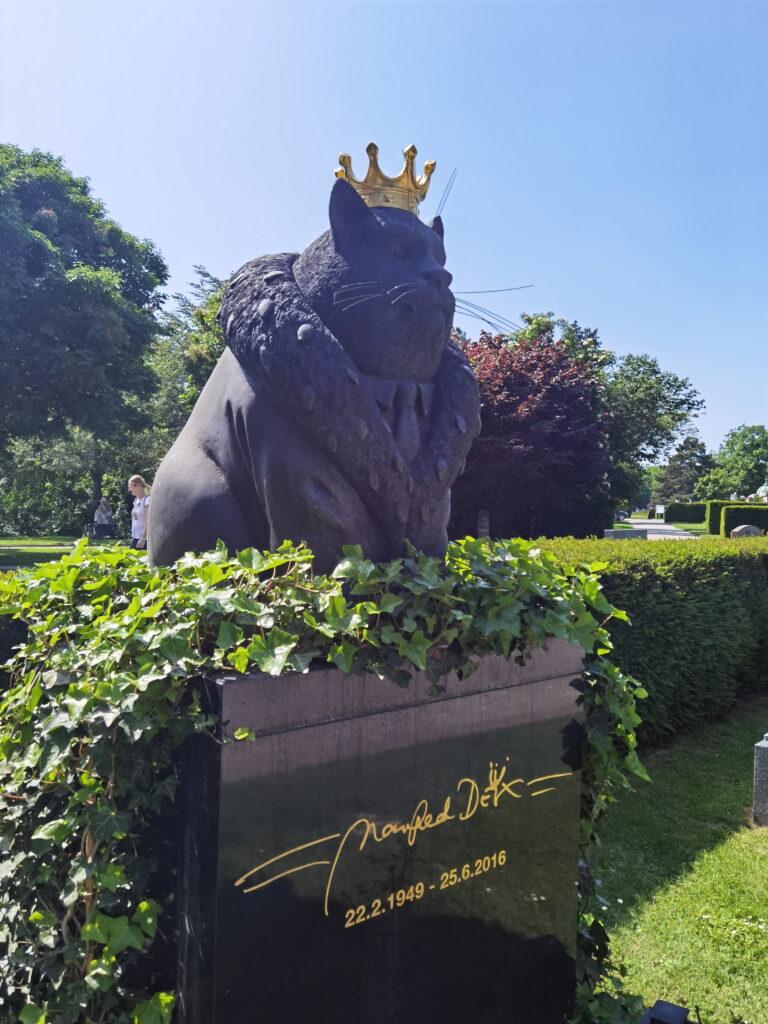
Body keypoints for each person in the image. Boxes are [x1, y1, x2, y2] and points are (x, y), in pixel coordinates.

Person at [128, 475, 151, 549]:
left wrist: (143, 538)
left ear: (137, 486)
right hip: (135, 538)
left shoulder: (147, 500)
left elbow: (149, 521)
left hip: (144, 540)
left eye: (130, 487)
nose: (129, 489)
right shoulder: (135, 500)